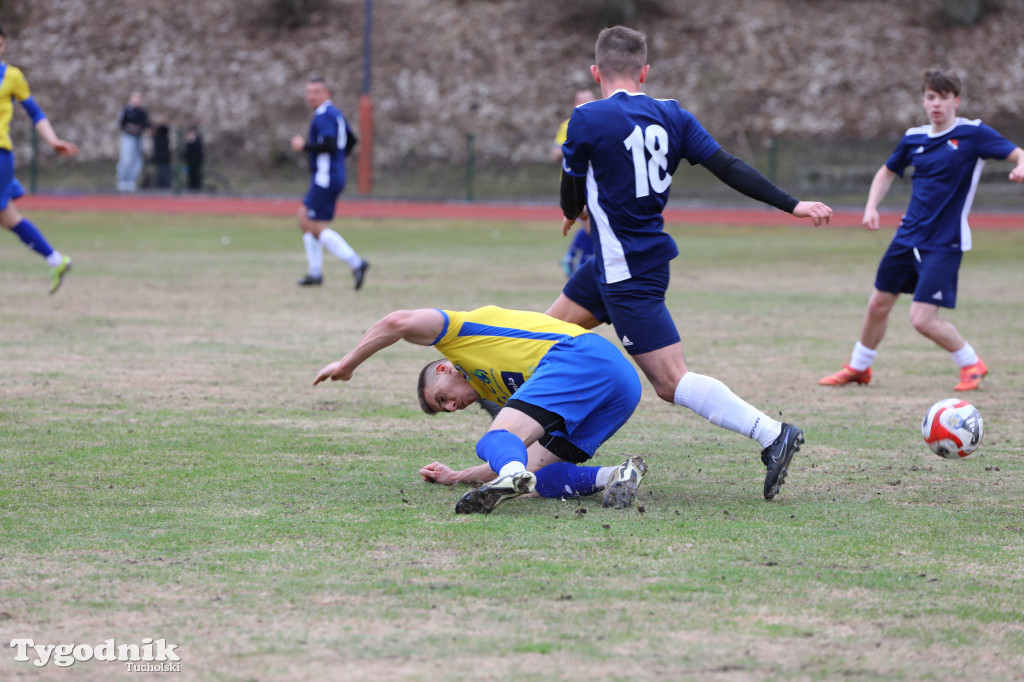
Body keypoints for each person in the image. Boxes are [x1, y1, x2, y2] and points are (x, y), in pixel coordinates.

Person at [551, 26, 834, 500]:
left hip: (628, 272)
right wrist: (793, 204)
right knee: (546, 335)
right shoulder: (673, 115)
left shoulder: (586, 118)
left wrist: (572, 209)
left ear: (596, 72)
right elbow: (728, 166)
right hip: (616, 264)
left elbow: (570, 192)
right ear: (644, 71)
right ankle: (520, 433)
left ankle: (772, 434)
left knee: (670, 380)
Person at [313, 305, 648, 514]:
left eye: (442, 398)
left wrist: (347, 363)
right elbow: (520, 463)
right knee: (539, 478)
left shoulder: (458, 335)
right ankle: (616, 475)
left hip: (578, 355)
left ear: (444, 369)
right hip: (621, 386)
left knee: (494, 440)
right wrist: (457, 477)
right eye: (447, 410)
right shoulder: (501, 393)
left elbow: (397, 321)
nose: (453, 407)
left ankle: (512, 472)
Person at [819, 69, 1024, 392]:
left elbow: (1018, 153)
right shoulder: (913, 137)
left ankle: (971, 363)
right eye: (931, 97)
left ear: (956, 100)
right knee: (877, 305)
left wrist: (1020, 164)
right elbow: (886, 173)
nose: (937, 104)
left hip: (945, 241)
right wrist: (871, 206)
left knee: (922, 319)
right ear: (924, 100)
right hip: (907, 236)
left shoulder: (974, 134)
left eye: (944, 97)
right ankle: (859, 368)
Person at [0, 25, 76, 294]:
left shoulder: (12, 77)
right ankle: (56, 260)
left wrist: (53, 140)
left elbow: (35, 112)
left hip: (0, 154)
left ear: (3, 45)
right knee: (8, 218)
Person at [292, 76, 369, 290]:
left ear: (327, 94)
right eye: (309, 92)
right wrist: (339, 162)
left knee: (315, 225)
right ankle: (314, 273)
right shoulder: (334, 113)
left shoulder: (324, 115)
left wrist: (304, 146)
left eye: (316, 92)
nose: (311, 96)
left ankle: (356, 263)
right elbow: (351, 139)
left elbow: (328, 143)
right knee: (303, 217)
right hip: (330, 175)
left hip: (325, 178)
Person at [553, 89, 596, 277]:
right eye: (581, 101)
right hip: (576, 183)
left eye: (589, 101)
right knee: (591, 226)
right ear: (574, 105)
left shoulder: (602, 124)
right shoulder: (569, 125)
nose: (585, 104)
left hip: (596, 182)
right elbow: (555, 154)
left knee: (593, 226)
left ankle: (572, 259)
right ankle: (582, 265)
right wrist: (575, 145)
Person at [116, 91, 149, 192]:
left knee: (137, 160)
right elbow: (121, 123)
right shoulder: (125, 110)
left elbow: (146, 123)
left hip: (138, 137)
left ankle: (131, 181)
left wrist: (138, 128)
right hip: (128, 137)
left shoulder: (142, 111)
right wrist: (129, 128)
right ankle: (122, 180)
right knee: (126, 159)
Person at [150, 116, 172, 189]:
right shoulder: (156, 135)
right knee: (159, 173)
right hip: (159, 156)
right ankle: (160, 186)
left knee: (165, 172)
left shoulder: (164, 132)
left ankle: (166, 186)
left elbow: (165, 129)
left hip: (165, 156)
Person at [182, 125, 203, 191]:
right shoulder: (188, 141)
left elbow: (197, 150)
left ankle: (196, 188)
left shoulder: (198, 141)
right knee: (189, 176)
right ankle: (190, 188)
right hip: (189, 162)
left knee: (196, 176)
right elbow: (185, 152)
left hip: (196, 162)